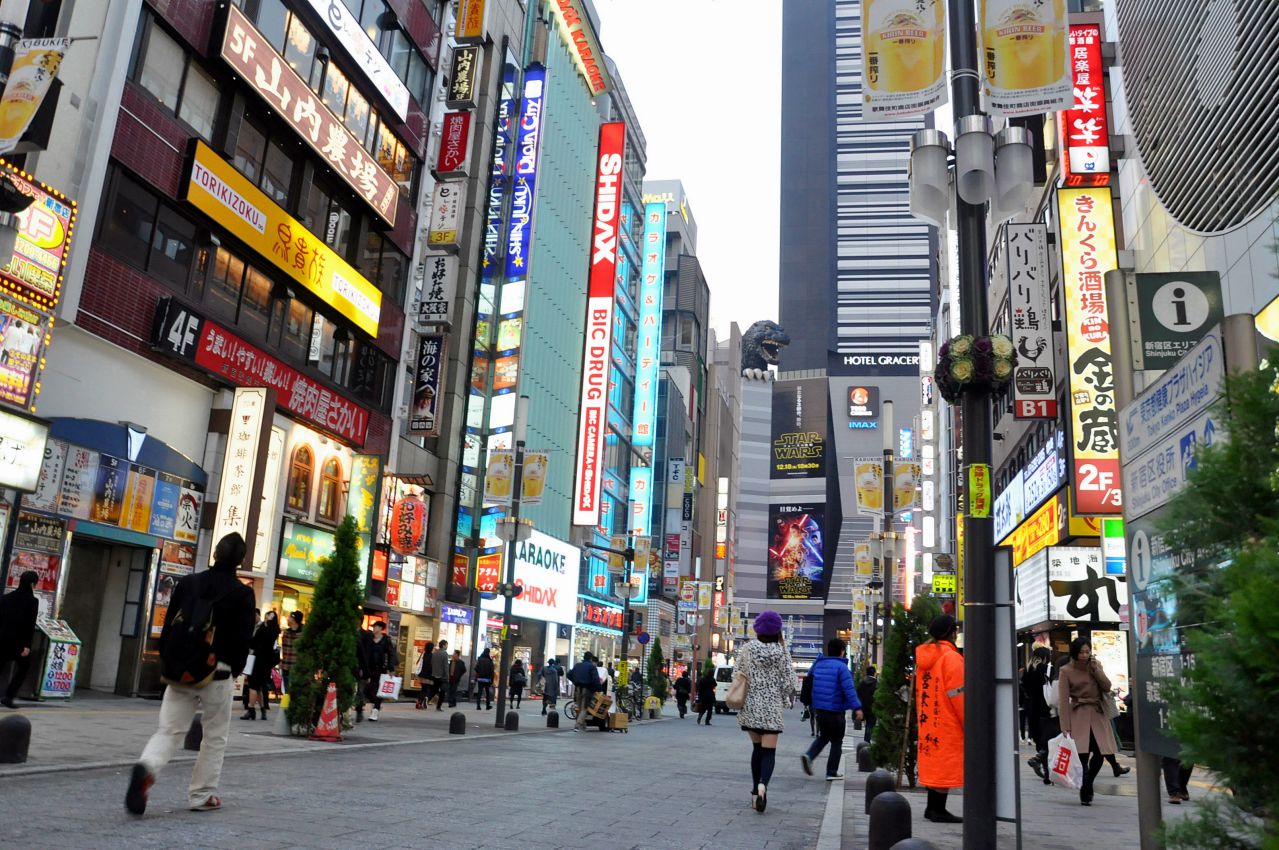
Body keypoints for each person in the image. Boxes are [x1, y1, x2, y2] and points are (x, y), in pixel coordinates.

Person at [125, 533, 255, 815]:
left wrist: (170, 661)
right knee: (214, 736)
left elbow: (169, 625)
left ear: (215, 554)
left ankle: (147, 766)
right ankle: (201, 795)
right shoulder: (242, 593)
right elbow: (243, 639)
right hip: (217, 672)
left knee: (169, 730)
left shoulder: (188, 583)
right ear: (240, 561)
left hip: (181, 670)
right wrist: (233, 669)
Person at [737, 610, 796, 813]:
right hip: (771, 709)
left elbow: (738, 674)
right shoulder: (782, 652)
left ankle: (755, 793)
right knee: (769, 752)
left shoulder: (747, 649)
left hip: (751, 706)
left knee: (757, 750)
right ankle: (763, 785)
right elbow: (790, 683)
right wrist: (781, 694)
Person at [1059, 636, 1119, 806]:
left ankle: (1088, 782)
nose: (1085, 655)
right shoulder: (1066, 670)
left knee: (1101, 752)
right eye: (1081, 652)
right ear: (1074, 653)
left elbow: (1107, 686)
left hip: (1098, 713)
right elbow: (1063, 701)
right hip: (1078, 714)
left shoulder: (1095, 665)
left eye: (1087, 651)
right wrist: (1065, 726)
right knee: (1082, 755)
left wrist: (1096, 670)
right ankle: (1086, 788)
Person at [917, 614, 964, 824]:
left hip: (929, 718)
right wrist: (970, 721)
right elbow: (959, 694)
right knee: (945, 763)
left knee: (935, 761)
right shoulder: (951, 658)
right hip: (947, 719)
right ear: (952, 633)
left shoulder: (925, 657)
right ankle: (937, 809)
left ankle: (932, 807)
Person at [800, 638, 863, 780]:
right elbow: (849, 690)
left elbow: (809, 681)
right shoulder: (842, 668)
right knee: (837, 741)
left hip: (819, 709)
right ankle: (831, 771)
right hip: (835, 710)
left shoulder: (818, 665)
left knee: (824, 736)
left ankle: (809, 755)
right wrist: (857, 707)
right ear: (842, 651)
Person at [0, 570, 40, 708]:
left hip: (3, 640)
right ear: (32, 584)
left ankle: (8, 696)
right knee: (24, 667)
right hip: (19, 643)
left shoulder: (6, 598)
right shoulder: (32, 601)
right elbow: (29, 625)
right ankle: (9, 696)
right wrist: (27, 645)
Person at [241, 610, 279, 720]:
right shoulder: (270, 629)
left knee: (253, 686)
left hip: (259, 660)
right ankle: (262, 710)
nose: (266, 619)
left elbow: (255, 641)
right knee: (259, 687)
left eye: (268, 617)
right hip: (264, 662)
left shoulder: (267, 630)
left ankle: (251, 710)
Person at [1022, 647, 1053, 779]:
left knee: (1039, 740)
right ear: (1046, 657)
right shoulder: (1047, 669)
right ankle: (1042, 763)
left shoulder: (1027, 670)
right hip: (1045, 709)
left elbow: (1025, 689)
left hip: (1032, 709)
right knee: (1049, 739)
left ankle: (1043, 767)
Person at [358, 621, 397, 721]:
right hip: (369, 668)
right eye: (373, 627)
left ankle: (375, 710)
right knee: (366, 690)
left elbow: (391, 654)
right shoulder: (369, 639)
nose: (374, 628)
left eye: (375, 627)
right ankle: (376, 704)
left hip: (381, 669)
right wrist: (362, 667)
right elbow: (364, 654)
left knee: (380, 691)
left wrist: (391, 668)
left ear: (380, 628)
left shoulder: (386, 640)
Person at [569, 652, 600, 731]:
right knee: (584, 708)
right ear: (591, 658)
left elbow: (569, 674)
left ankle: (583, 725)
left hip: (577, 689)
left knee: (579, 707)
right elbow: (595, 679)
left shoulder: (577, 665)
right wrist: (598, 688)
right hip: (587, 689)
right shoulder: (592, 667)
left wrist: (575, 681)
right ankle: (577, 725)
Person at [279, 610, 303, 693]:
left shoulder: (303, 634)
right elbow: (283, 649)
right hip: (286, 665)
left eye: (289, 617)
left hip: (298, 666)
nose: (287, 619)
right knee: (287, 690)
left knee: (297, 689)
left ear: (293, 619)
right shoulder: (286, 633)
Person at [856, 665, 879, 743]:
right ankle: (867, 741)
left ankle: (866, 741)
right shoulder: (876, 683)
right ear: (874, 673)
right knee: (870, 725)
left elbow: (858, 694)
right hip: (872, 707)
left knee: (867, 724)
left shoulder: (862, 682)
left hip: (863, 707)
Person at [429, 639, 450, 710]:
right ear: (443, 645)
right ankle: (438, 706)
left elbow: (431, 664)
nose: (447, 646)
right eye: (446, 645)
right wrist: (447, 676)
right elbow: (446, 666)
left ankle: (427, 699)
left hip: (434, 675)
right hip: (442, 676)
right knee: (442, 692)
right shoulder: (444, 654)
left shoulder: (435, 653)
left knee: (434, 690)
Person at [413, 640, 434, 709]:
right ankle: (421, 702)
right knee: (426, 690)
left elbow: (418, 662)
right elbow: (431, 666)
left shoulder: (423, 654)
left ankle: (420, 702)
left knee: (423, 689)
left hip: (421, 675)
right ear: (431, 648)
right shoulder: (432, 656)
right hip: (428, 676)